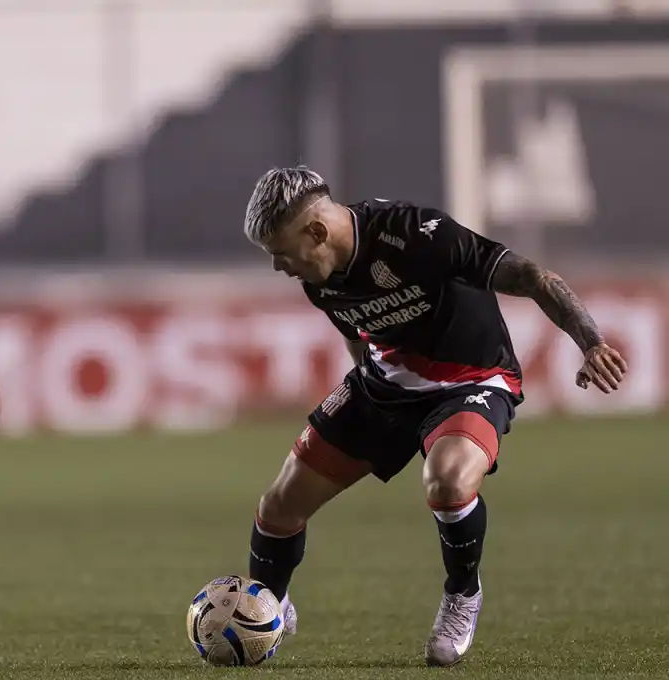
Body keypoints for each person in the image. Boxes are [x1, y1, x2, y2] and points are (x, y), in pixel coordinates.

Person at [240, 167, 627, 667]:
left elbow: (534, 277)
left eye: (280, 253)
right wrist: (370, 408)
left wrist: (590, 342)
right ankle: (265, 612)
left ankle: (463, 595)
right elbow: (355, 330)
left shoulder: (418, 235)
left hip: (472, 381)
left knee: (445, 483)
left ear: (316, 231)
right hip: (385, 386)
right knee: (277, 509)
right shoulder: (317, 277)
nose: (277, 267)